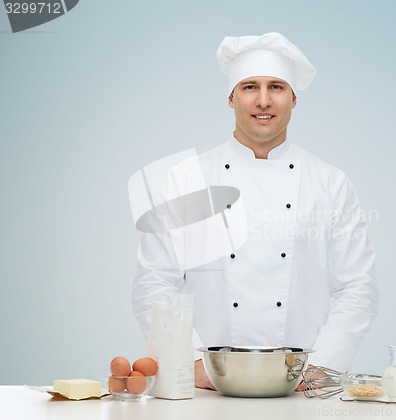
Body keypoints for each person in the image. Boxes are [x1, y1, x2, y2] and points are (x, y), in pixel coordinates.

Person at [132, 32, 379, 391]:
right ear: (231, 98)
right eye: (250, 87)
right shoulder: (187, 178)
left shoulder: (331, 183)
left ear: (294, 99)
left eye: (276, 87)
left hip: (301, 390)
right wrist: (193, 364)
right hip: (208, 389)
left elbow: (358, 287)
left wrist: (320, 367)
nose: (263, 101)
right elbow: (154, 281)